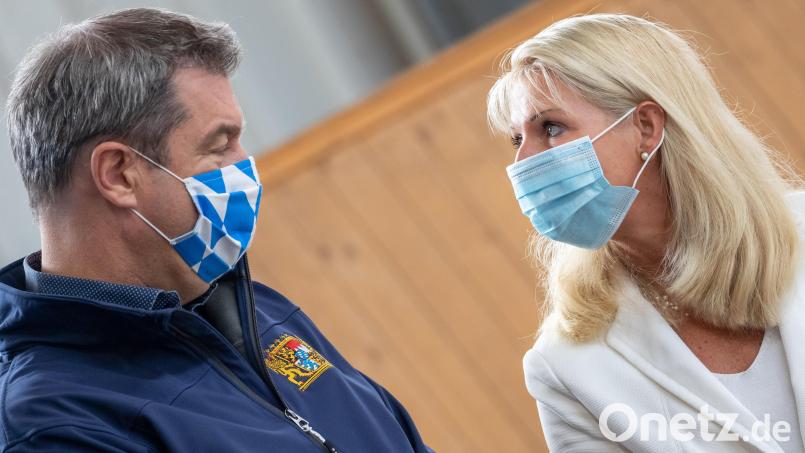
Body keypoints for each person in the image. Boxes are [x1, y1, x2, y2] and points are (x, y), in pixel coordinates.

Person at [0, 8, 432, 452]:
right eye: (219, 145)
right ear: (118, 174)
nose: (244, 166)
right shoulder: (57, 424)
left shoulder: (258, 310)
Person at [487, 13, 805, 452]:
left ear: (647, 127)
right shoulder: (565, 367)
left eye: (551, 128)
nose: (523, 163)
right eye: (516, 139)